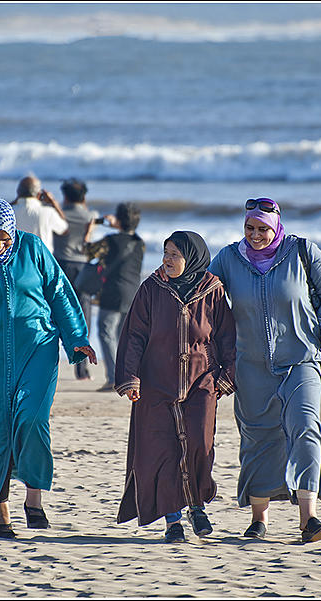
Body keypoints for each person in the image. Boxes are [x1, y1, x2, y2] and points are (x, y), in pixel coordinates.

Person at [0, 197, 97, 539]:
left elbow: (60, 294)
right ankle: (0, 513)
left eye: (4, 239)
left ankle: (34, 499)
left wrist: (76, 338)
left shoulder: (33, 248)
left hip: (37, 349)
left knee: (32, 419)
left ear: (13, 232)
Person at [207, 197, 321, 543]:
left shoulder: (302, 252)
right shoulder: (228, 258)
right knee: (257, 437)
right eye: (250, 228)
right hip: (250, 365)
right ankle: (259, 519)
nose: (256, 235)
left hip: (300, 360)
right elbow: (204, 300)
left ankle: (309, 519)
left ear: (277, 227)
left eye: (263, 229)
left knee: (305, 426)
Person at [114, 231, 236, 543]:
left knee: (200, 445)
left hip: (201, 383)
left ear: (191, 259)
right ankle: (173, 521)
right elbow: (134, 336)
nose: (167, 260)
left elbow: (228, 339)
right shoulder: (151, 289)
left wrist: (226, 378)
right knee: (163, 452)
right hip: (156, 385)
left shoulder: (213, 291)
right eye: (165, 253)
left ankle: (196, 505)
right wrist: (131, 378)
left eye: (174, 255)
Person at [84, 202, 144, 392]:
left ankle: (113, 378)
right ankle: (128, 376)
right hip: (134, 293)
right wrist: (119, 226)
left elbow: (87, 250)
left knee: (105, 332)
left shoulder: (110, 241)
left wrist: (91, 227)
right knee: (124, 337)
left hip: (112, 293)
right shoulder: (139, 243)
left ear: (118, 219)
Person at [52, 178, 108, 381]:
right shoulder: (90, 215)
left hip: (60, 266)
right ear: (84, 196)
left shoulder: (58, 214)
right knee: (83, 315)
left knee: (58, 314)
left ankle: (52, 360)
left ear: (65, 195)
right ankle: (82, 370)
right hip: (83, 267)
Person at [12, 174, 68, 252]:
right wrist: (54, 203)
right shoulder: (48, 212)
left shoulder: (10, 212)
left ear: (18, 193)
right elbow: (64, 229)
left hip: (18, 260)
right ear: (39, 194)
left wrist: (14, 201)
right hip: (42, 259)